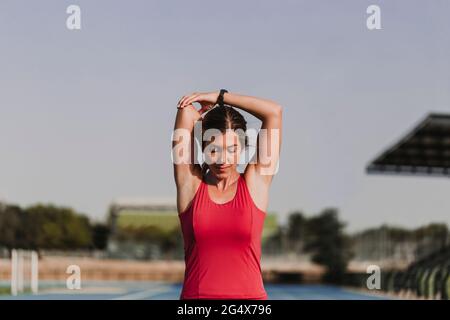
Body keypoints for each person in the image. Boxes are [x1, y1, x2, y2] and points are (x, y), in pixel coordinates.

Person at [172, 90, 282, 299]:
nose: (223, 159)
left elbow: (273, 113)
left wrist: (220, 96)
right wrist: (201, 113)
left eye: (232, 149)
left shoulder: (255, 182)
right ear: (202, 147)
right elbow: (185, 110)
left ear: (242, 148)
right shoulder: (190, 183)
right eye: (213, 149)